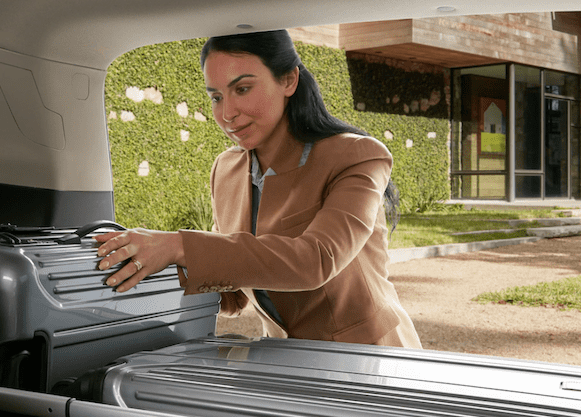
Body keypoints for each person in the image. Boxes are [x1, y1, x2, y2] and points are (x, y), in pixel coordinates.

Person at [95, 29, 421, 348]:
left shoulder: (357, 156)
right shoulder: (226, 169)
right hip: (286, 360)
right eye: (216, 97)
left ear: (289, 80)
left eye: (243, 88)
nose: (227, 114)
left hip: (372, 357)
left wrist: (179, 245)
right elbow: (234, 290)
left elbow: (315, 260)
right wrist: (141, 272)